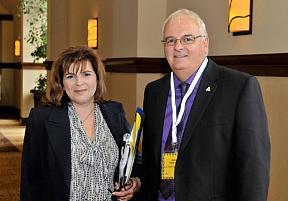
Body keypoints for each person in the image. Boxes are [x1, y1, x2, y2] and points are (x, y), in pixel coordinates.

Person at [142, 9, 270, 201]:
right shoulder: (154, 92)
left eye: (187, 39)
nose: (178, 46)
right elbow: (151, 163)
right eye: (170, 40)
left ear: (205, 43)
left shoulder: (239, 88)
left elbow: (254, 172)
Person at [20, 46, 141, 201]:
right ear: (61, 83)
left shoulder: (114, 113)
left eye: (86, 74)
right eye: (70, 76)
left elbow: (134, 161)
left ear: (97, 78)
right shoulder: (41, 119)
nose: (79, 82)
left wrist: (134, 184)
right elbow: (30, 181)